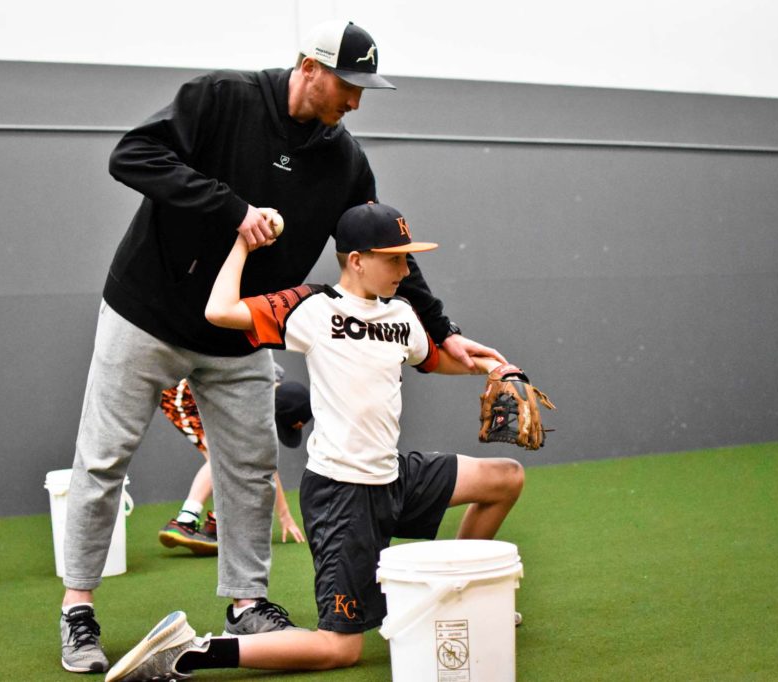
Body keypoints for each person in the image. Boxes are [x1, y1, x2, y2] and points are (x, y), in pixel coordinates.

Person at [59, 19, 504, 674]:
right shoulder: (221, 100)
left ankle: (246, 602)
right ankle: (78, 610)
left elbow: (387, 254)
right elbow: (131, 156)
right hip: (146, 311)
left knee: (246, 465)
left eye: (363, 89)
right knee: (102, 460)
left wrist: (444, 332)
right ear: (309, 67)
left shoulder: (344, 160)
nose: (355, 102)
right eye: (348, 86)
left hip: (239, 335)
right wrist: (231, 208)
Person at [103, 203, 527, 682]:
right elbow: (219, 310)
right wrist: (243, 243)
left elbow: (434, 358)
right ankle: (196, 651)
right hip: (342, 495)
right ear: (357, 260)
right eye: (395, 259)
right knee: (339, 649)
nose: (406, 270)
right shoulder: (312, 308)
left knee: (504, 478)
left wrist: (492, 367)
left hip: (392, 475)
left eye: (407, 259)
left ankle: (457, 594)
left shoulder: (403, 316)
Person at [157, 370, 310, 555]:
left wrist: (285, 514)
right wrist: (284, 515)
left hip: (206, 393)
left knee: (230, 457)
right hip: (181, 390)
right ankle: (185, 521)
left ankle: (218, 521)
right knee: (221, 457)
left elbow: (265, 460)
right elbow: (266, 462)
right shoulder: (251, 398)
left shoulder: (265, 386)